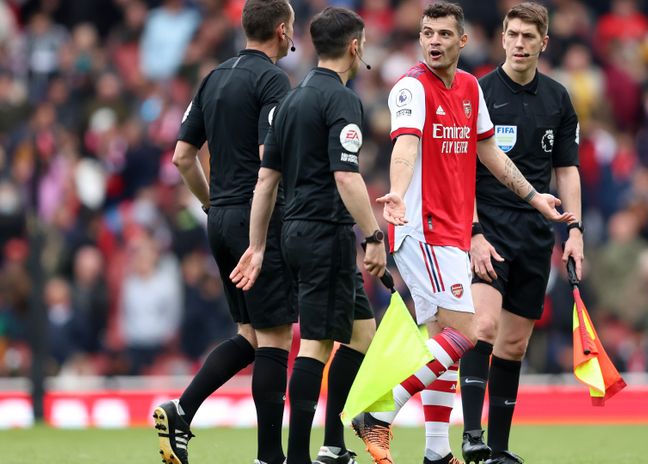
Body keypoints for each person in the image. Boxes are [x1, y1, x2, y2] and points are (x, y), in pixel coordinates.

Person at [350, 3, 575, 464]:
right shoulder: (412, 87)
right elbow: (406, 145)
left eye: (443, 34)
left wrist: (535, 197)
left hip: (451, 231)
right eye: (426, 33)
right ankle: (381, 410)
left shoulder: (471, 88)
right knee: (470, 331)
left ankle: (436, 452)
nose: (433, 41)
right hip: (423, 226)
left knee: (444, 340)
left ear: (463, 41)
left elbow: (490, 153)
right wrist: (395, 191)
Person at [230, 7, 386, 464]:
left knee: (362, 334)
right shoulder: (342, 100)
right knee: (316, 343)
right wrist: (373, 236)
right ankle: (302, 453)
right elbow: (347, 177)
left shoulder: (291, 101)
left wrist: (259, 245)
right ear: (355, 46)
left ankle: (333, 442)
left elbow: (266, 180)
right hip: (326, 232)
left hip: (294, 231)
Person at [153, 1, 295, 464]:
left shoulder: (213, 77)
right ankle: (269, 456)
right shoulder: (272, 79)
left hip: (219, 218)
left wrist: (211, 203)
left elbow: (181, 155)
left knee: (250, 335)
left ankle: (181, 410)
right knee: (275, 338)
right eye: (291, 29)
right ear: (281, 30)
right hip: (257, 216)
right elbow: (267, 156)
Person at [459, 4, 583, 464]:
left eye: (528, 37)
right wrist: (472, 232)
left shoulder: (558, 99)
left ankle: (498, 449)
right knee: (483, 327)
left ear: (543, 43)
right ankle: (473, 436)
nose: (518, 43)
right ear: (502, 38)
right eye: (512, 34)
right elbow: (461, 172)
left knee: (514, 344)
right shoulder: (479, 92)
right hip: (487, 229)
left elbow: (566, 171)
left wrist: (576, 230)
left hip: (535, 235)